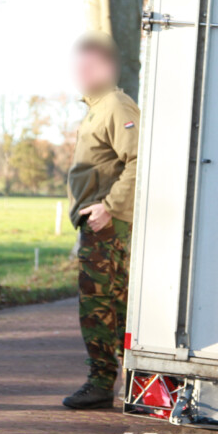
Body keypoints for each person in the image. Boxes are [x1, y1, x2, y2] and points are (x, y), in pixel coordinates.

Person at [63, 33, 138, 409]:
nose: (81, 72)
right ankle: (111, 380)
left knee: (105, 306)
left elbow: (139, 160)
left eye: (89, 65)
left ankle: (109, 381)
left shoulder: (115, 106)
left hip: (111, 226)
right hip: (97, 226)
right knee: (103, 305)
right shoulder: (97, 108)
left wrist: (109, 207)